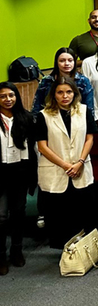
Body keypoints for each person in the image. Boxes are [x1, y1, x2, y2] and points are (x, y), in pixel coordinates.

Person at [35, 77, 98, 252]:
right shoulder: (44, 115)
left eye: (68, 92)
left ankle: (93, 245)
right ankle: (68, 250)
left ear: (74, 94)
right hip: (57, 169)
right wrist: (65, 165)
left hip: (81, 167)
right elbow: (42, 146)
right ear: (53, 95)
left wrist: (80, 162)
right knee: (61, 212)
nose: (65, 96)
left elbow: (90, 138)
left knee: (86, 209)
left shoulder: (83, 111)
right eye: (60, 92)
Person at [0, 83, 34, 274]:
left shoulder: (26, 118)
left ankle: (17, 251)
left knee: (18, 212)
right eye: (3, 96)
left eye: (11, 95)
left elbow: (34, 148)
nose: (8, 99)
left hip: (20, 170)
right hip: (0, 172)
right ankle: (1, 255)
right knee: (1, 216)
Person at [31, 47, 96, 118]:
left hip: (76, 120)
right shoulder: (47, 80)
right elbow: (37, 106)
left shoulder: (83, 81)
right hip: (51, 119)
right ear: (56, 62)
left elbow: (89, 108)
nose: (67, 63)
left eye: (70, 60)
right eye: (62, 61)